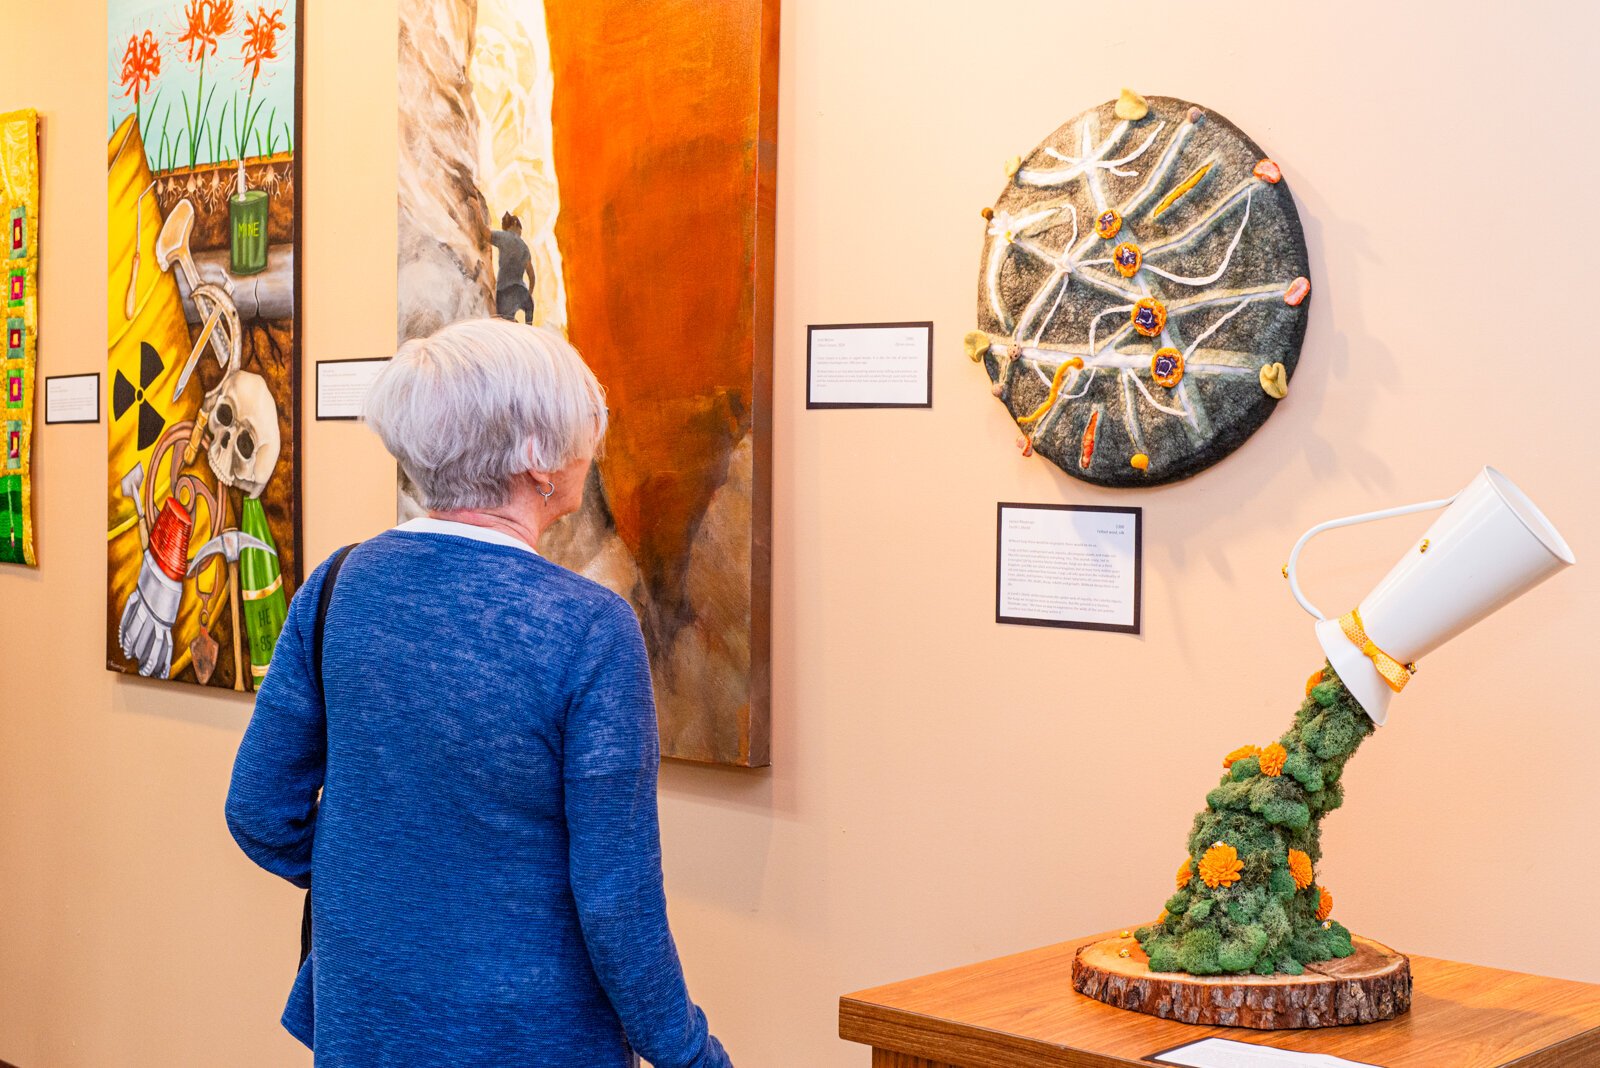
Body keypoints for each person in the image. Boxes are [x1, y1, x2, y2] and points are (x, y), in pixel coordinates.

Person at [225, 318, 731, 1067]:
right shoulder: (590, 629)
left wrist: (395, 876)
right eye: (579, 428)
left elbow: (260, 812)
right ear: (538, 459)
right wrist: (691, 1055)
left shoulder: (337, 585)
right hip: (528, 1036)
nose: (589, 448)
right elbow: (616, 901)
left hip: (365, 1018)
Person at [491, 211, 538, 323]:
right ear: (516, 224)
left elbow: (484, 232)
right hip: (520, 291)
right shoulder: (524, 247)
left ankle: (512, 323)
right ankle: (527, 330)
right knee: (529, 312)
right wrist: (529, 294)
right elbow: (532, 276)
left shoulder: (502, 236)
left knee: (505, 322)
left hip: (504, 291)